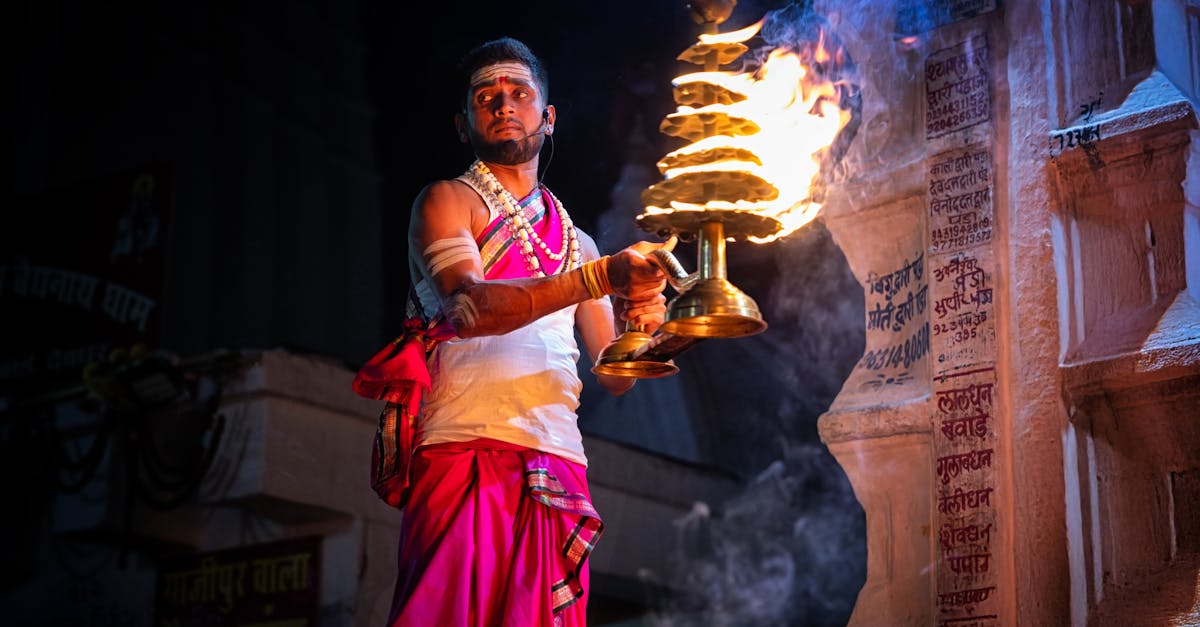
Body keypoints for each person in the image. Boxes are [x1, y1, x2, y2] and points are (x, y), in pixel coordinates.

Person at [352, 36, 676, 626]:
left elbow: (617, 375)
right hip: (463, 448)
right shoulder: (448, 200)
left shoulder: (578, 243)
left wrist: (654, 320)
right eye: (486, 96)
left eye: (519, 93)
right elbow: (468, 308)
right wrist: (602, 276)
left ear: (547, 118)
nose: (503, 105)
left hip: (555, 461)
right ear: (462, 123)